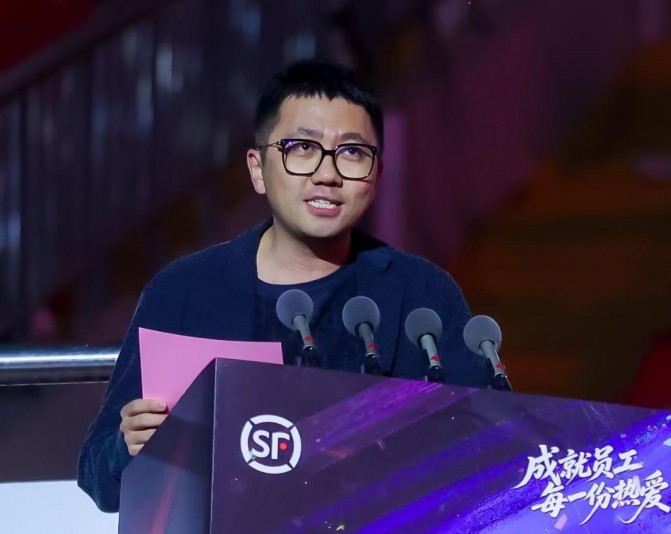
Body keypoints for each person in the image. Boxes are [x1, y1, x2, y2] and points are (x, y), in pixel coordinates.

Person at [77, 58, 491, 513]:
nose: (328, 174)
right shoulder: (183, 293)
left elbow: (489, 451)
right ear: (257, 169)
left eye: (352, 152)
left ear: (376, 175)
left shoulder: (421, 295)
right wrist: (128, 448)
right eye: (302, 147)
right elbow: (99, 480)